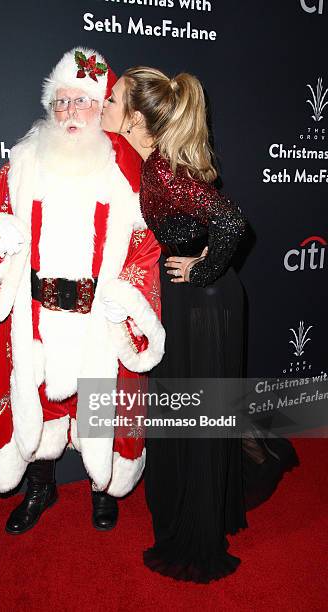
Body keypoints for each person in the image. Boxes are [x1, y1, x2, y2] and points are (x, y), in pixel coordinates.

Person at [101, 66, 299, 582]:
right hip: (192, 300)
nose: (105, 103)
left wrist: (202, 267)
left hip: (208, 302)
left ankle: (202, 522)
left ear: (135, 119)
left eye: (114, 99)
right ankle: (211, 486)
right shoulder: (152, 164)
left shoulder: (164, 170)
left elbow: (234, 223)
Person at [0, 48, 165, 535]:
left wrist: (125, 296)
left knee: (99, 405)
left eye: (84, 102)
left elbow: (145, 247)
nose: (71, 113)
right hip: (36, 317)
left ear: (101, 109)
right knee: (37, 402)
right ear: (51, 107)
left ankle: (100, 486)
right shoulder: (22, 164)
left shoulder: (128, 173)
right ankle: (41, 486)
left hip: (97, 320)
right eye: (62, 102)